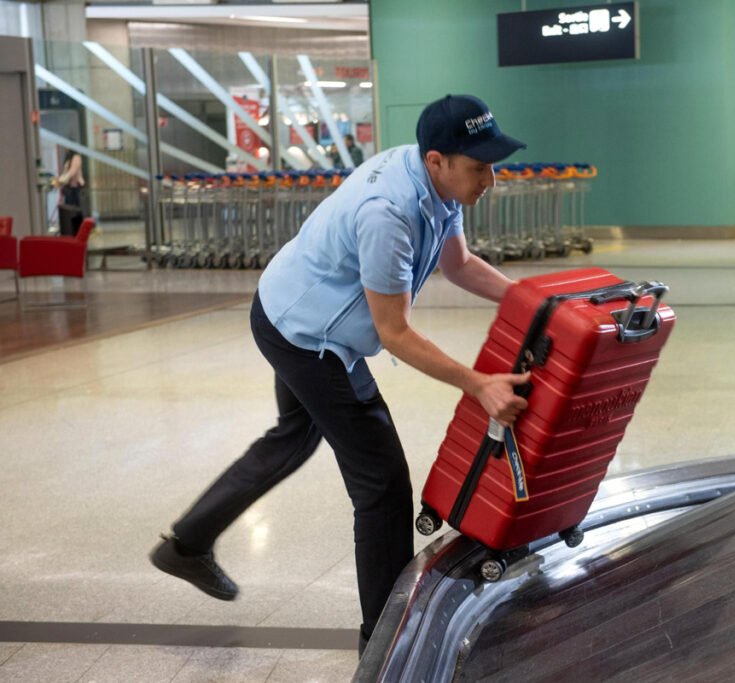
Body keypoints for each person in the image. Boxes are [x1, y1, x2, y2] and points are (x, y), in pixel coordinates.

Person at [149, 94, 529, 655]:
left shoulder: (438, 183)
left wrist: (532, 300)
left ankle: (186, 545)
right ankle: (386, 642)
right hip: (308, 336)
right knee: (383, 485)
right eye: (479, 168)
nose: (490, 180)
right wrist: (477, 384)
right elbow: (394, 332)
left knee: (293, 436)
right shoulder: (387, 213)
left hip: (286, 307)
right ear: (437, 161)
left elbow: (459, 264)